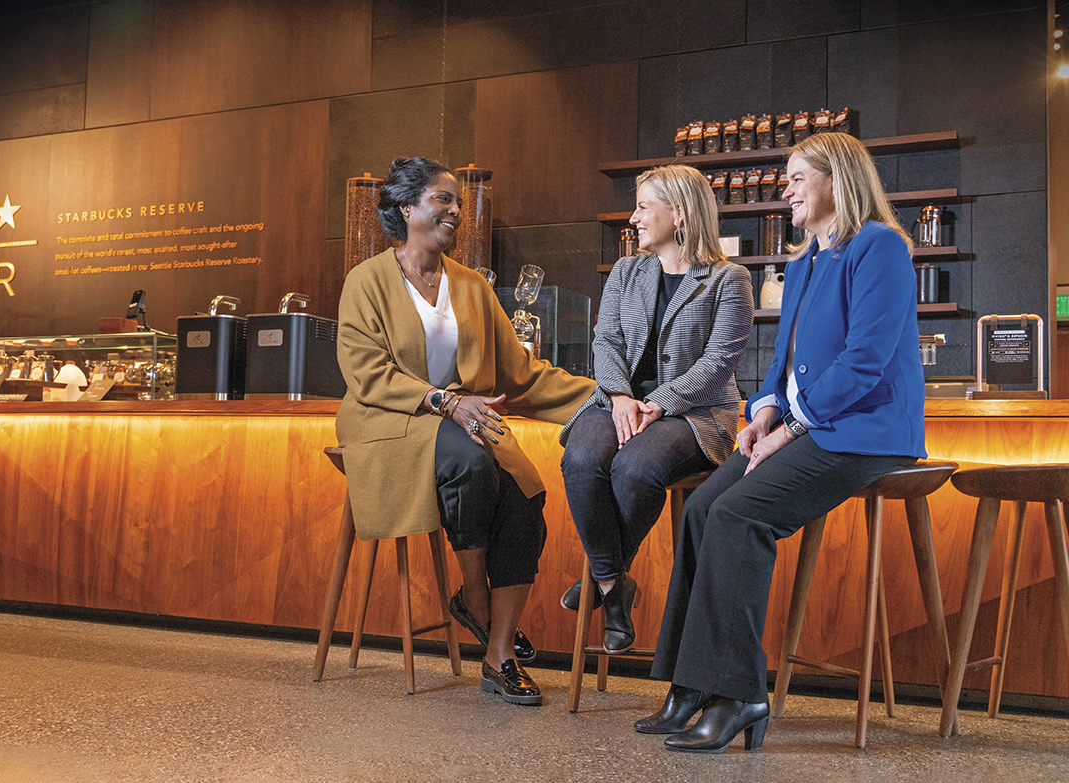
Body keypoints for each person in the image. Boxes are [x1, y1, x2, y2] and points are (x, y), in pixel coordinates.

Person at [640, 132, 926, 753]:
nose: (785, 189)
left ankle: (738, 693)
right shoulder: (802, 263)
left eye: (797, 178)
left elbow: (866, 360)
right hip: (808, 425)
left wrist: (794, 427)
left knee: (739, 515)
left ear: (837, 181)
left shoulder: (878, 247)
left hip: (866, 431)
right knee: (702, 509)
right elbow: (782, 364)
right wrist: (765, 411)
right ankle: (691, 684)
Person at [336, 157, 596, 706]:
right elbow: (367, 372)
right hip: (391, 422)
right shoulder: (367, 280)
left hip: (464, 421)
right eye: (442, 198)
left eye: (458, 201)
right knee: (472, 462)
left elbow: (521, 375)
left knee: (526, 494)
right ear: (406, 207)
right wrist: (447, 402)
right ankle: (476, 598)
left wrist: (605, 399)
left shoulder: (472, 286)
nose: (456, 209)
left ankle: (499, 654)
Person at [558, 165, 753, 654]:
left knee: (635, 467)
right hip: (619, 399)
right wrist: (621, 396)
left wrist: (658, 404)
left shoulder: (729, 279)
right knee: (580, 459)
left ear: (680, 213)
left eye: (644, 206)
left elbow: (719, 362)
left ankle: (602, 578)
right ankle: (615, 586)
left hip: (694, 412)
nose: (634, 217)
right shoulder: (626, 272)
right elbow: (606, 341)